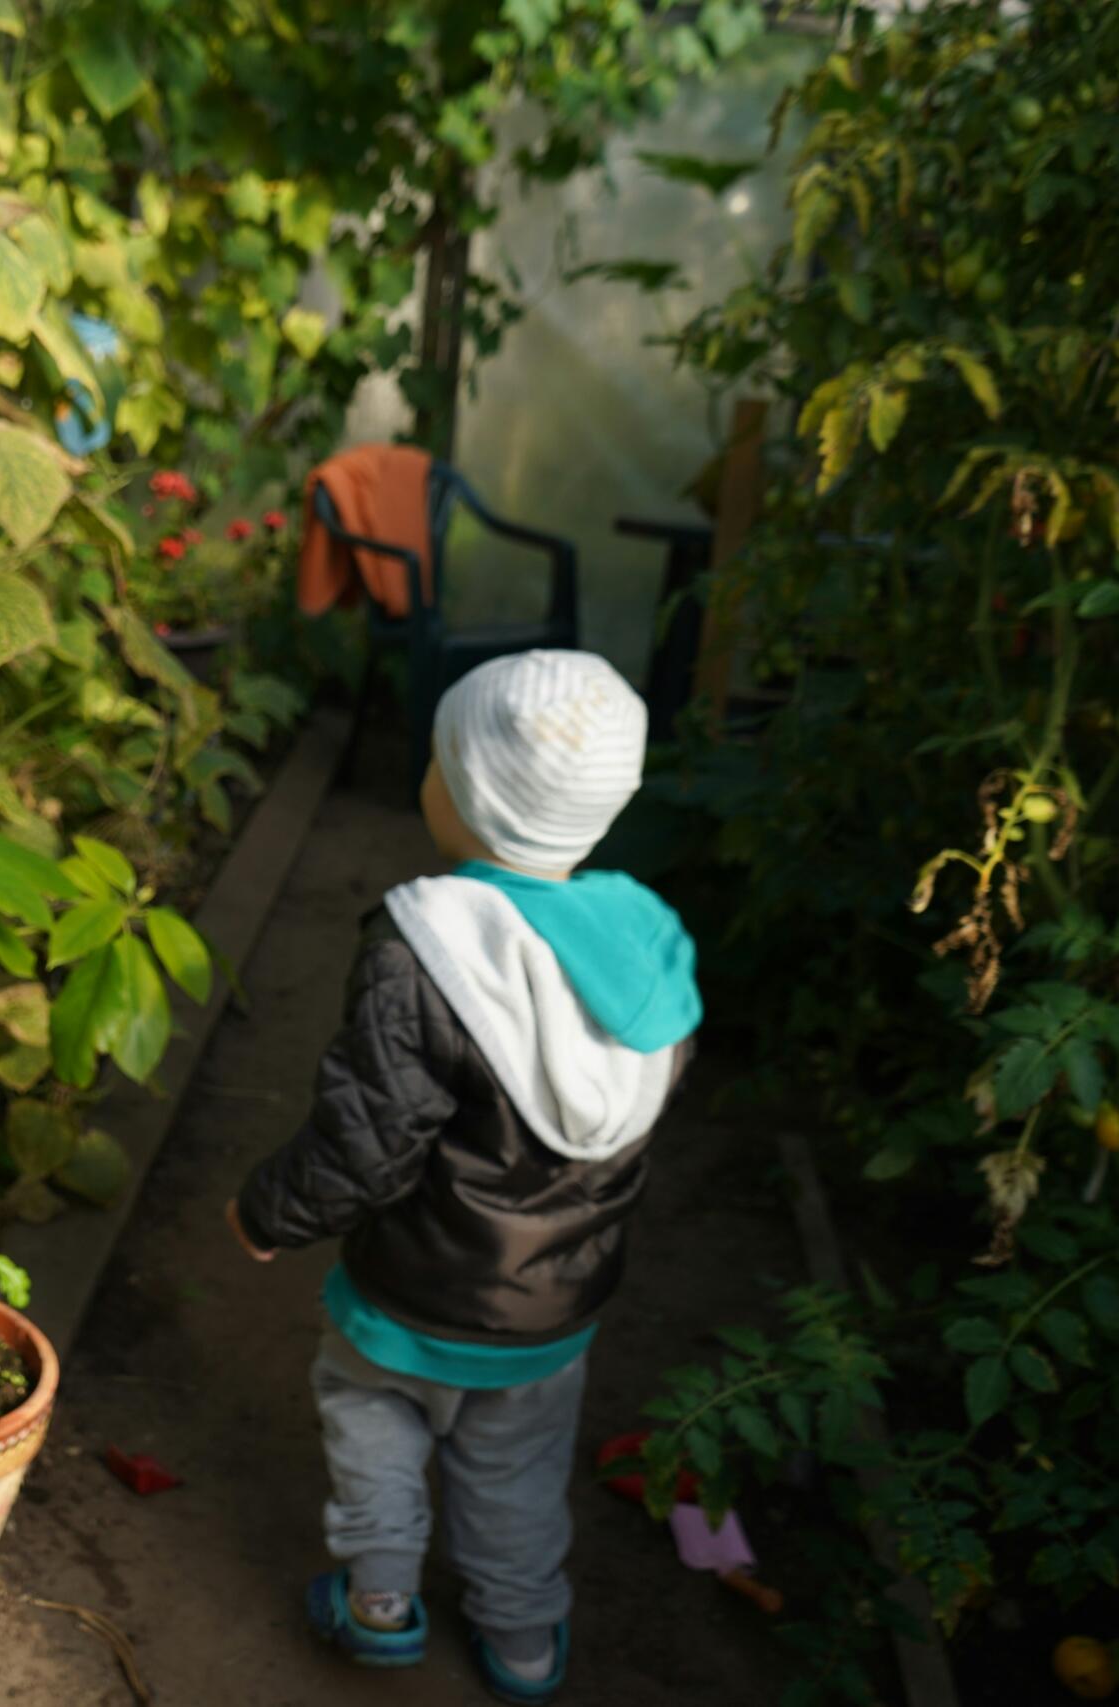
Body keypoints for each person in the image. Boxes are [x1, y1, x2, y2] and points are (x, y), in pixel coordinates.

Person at [224, 650, 701, 1704]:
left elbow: (366, 1139)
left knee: (369, 1416)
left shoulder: (424, 945)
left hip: (408, 1293)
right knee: (516, 1470)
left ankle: (381, 1604)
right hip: (552, 1309)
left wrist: (267, 1211)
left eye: (441, 760)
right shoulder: (648, 945)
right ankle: (524, 1640)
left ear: (466, 795)